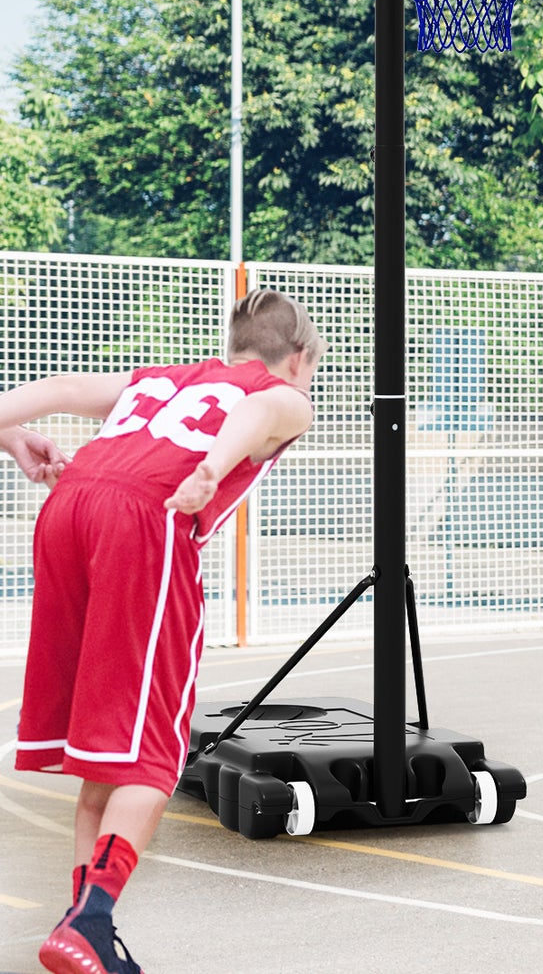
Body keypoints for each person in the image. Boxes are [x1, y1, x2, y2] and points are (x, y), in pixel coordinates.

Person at [10, 289, 322, 974]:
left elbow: (56, 387)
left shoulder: (160, 379)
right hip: (144, 521)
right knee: (153, 749)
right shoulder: (284, 394)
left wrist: (9, 435)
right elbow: (258, 409)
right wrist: (212, 466)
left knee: (105, 744)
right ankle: (92, 918)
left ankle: (81, 923)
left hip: (68, 510)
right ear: (297, 357)